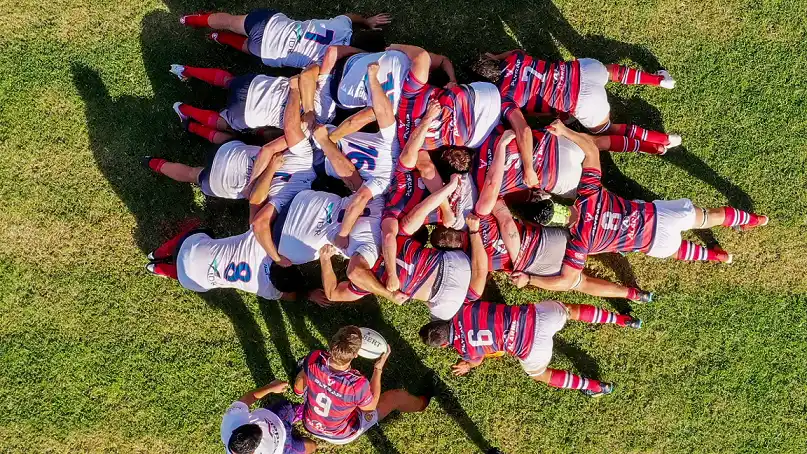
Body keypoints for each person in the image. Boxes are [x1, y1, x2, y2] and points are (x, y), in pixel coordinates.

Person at [518, 120, 769, 293]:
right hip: (659, 216)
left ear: (551, 224)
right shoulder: (589, 195)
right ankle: (752, 219)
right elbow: (592, 151)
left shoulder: (581, 243)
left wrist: (530, 279)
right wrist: (565, 131)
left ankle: (716, 256)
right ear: (552, 199)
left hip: (652, 243)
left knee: (677, 250)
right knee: (705, 217)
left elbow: (567, 281)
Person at [471, 50, 679, 188]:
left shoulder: (504, 97)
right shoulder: (514, 57)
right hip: (581, 71)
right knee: (609, 71)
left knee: (607, 130)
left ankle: (662, 142)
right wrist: (496, 56)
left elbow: (525, 126)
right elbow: (513, 55)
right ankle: (660, 80)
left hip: (583, 101)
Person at [431, 202, 653, 302]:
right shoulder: (480, 226)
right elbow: (505, 218)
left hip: (536, 263)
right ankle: (624, 246)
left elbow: (504, 218)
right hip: (543, 242)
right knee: (590, 244)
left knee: (580, 283)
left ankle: (633, 294)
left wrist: (523, 271)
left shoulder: (473, 255)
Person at [419, 300, 642, 397]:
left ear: (445, 344)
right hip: (536, 317)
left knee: (540, 374)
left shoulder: (463, 349)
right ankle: (623, 320)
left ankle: (595, 386)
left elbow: (477, 359)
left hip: (530, 348)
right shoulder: (463, 308)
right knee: (569, 310)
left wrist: (468, 365)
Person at [312, 213, 488, 321]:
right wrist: (325, 259)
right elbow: (334, 292)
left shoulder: (399, 236)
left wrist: (474, 231)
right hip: (439, 287)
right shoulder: (370, 279)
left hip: (447, 276)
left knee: (473, 290)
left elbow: (480, 270)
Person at [473, 123, 668, 213]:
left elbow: (495, 204)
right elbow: (519, 129)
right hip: (556, 143)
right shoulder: (488, 136)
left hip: (557, 175)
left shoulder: (482, 185)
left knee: (595, 198)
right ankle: (652, 146)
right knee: (595, 143)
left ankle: (635, 207)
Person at [293, 326, 429, 445]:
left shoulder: (314, 358)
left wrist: (302, 390)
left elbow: (304, 376)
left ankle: (297, 392)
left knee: (305, 372)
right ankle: (423, 403)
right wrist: (378, 369)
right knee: (395, 397)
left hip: (310, 424)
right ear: (356, 354)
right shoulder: (356, 384)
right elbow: (370, 408)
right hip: (340, 434)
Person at [168, 67, 332, 144]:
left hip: (253, 85)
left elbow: (307, 72)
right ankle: (183, 109)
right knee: (224, 123)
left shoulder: (326, 94)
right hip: (246, 114)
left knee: (229, 81)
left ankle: (184, 69)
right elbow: (270, 135)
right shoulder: (313, 135)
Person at [144, 222, 304, 301]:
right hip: (191, 281)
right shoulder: (267, 290)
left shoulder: (259, 243)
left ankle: (157, 253)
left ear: (285, 262)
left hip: (190, 248)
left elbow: (261, 222)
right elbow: (290, 297)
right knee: (190, 274)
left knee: (205, 230)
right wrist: (308, 294)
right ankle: (158, 269)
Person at [179, 10, 391, 68]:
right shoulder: (337, 63)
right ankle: (220, 38)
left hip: (271, 23)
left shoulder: (342, 25)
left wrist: (367, 20)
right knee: (247, 46)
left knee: (231, 21)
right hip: (269, 49)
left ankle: (190, 20)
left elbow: (349, 16)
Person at [221, 380, 317, 454]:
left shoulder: (231, 419)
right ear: (253, 452)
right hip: (284, 446)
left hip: (275, 416)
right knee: (311, 446)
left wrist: (271, 387)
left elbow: (248, 398)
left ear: (234, 431)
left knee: (286, 407)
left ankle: (297, 413)